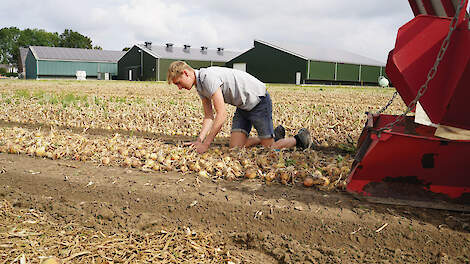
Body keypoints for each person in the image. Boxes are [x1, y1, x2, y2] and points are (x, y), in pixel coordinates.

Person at [167, 61, 311, 153]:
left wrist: (206, 144)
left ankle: (299, 139)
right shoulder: (199, 86)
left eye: (178, 83)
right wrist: (199, 140)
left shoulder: (207, 78)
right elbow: (208, 116)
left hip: (258, 101)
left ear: (186, 73)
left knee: (270, 150)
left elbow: (221, 115)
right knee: (235, 149)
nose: (179, 88)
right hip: (242, 107)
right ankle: (273, 135)